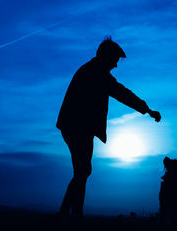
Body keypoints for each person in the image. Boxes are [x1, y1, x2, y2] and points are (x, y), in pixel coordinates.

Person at [56, 37, 161, 218]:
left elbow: (120, 92)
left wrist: (146, 110)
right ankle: (71, 215)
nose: (116, 65)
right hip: (78, 127)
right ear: (107, 57)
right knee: (82, 171)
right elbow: (122, 93)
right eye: (115, 60)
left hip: (75, 126)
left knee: (82, 171)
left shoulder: (92, 70)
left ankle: (68, 213)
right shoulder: (97, 72)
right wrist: (147, 110)